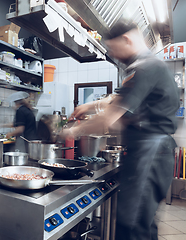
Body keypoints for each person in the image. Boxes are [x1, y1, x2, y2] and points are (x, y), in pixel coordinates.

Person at [60, 20, 179, 240]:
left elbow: (109, 117)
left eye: (114, 49)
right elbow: (116, 98)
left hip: (150, 153)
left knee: (132, 225)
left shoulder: (146, 67)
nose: (114, 55)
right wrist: (87, 106)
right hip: (152, 152)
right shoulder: (148, 66)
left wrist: (72, 132)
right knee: (142, 222)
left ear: (126, 39)